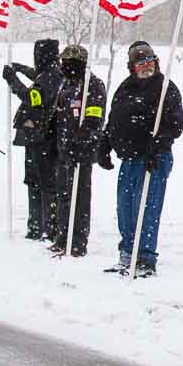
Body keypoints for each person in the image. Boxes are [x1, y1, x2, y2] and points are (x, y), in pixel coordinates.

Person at [103, 40, 183, 277]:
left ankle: (146, 258)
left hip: (153, 158)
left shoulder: (166, 87)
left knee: (147, 208)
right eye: (140, 63)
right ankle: (127, 253)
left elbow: (175, 125)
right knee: (125, 208)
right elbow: (114, 119)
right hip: (128, 158)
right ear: (132, 67)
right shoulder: (125, 88)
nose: (146, 66)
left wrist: (156, 146)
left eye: (149, 61)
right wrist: (105, 144)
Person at [45, 42, 108, 257]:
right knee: (63, 196)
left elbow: (93, 118)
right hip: (63, 150)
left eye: (68, 62)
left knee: (79, 198)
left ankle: (77, 241)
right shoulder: (66, 83)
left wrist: (80, 140)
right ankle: (63, 237)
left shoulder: (92, 85)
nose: (63, 65)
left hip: (81, 152)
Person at [4, 39, 63, 240]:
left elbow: (34, 97)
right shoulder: (54, 71)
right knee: (36, 181)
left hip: (42, 137)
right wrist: (22, 70)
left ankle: (45, 227)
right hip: (39, 136)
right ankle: (39, 225)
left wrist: (13, 81)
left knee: (42, 183)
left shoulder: (51, 75)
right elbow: (41, 77)